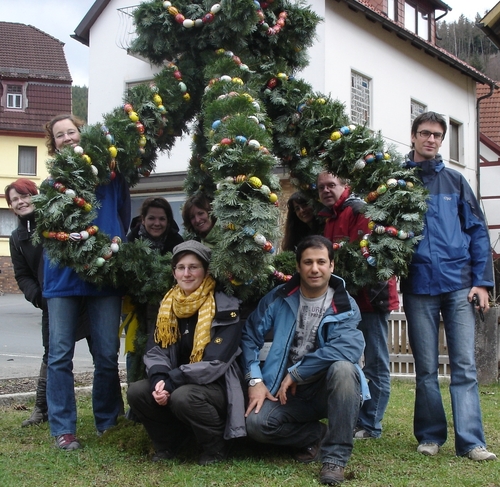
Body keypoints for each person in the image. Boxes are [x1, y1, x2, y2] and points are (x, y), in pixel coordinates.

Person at [401, 111, 496, 461]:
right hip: (418, 285)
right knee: (425, 368)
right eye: (425, 133)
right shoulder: (397, 183)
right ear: (412, 136)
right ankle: (429, 436)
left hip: (458, 284)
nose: (431, 140)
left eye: (438, 135)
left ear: (442, 140)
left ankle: (471, 442)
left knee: (465, 366)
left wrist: (482, 283)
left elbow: (477, 232)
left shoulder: (456, 182)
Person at [241, 235, 368, 485]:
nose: (314, 268)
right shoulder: (279, 297)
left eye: (321, 262)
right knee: (255, 425)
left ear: (332, 266)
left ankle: (335, 458)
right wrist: (254, 379)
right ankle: (316, 434)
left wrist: (299, 372)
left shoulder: (345, 304)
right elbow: (249, 337)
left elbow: (347, 348)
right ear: (298, 266)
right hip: (286, 392)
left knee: (344, 369)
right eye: (308, 262)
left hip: (325, 390)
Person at [43, 114, 130, 450]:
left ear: (83, 134)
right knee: (60, 355)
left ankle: (108, 422)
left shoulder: (110, 176)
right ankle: (63, 428)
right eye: (60, 135)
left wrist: (111, 247)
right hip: (62, 278)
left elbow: (122, 215)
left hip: (104, 274)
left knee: (107, 353)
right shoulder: (53, 183)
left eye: (71, 131)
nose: (67, 137)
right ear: (54, 144)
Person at [127, 240, 246, 465]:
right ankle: (169, 444)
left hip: (216, 386)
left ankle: (216, 448)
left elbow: (216, 362)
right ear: (174, 273)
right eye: (181, 268)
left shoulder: (225, 306)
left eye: (194, 267)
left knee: (184, 396)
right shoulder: (167, 306)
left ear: (206, 271)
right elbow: (155, 350)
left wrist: (173, 381)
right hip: (175, 380)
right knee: (138, 392)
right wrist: (160, 380)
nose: (187, 273)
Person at [317, 171, 399, 439]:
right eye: (322, 187)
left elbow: (362, 254)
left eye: (332, 185)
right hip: (348, 299)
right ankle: (358, 419)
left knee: (375, 362)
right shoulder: (331, 216)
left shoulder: (357, 210)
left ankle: (371, 424)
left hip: (370, 298)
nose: (327, 190)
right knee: (351, 360)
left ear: (345, 186)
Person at [125, 197, 184, 380]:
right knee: (135, 349)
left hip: (168, 308)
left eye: (162, 219)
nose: (156, 223)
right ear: (143, 219)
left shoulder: (176, 242)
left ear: (168, 221)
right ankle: (134, 391)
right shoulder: (131, 241)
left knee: (165, 349)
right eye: (152, 218)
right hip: (135, 308)